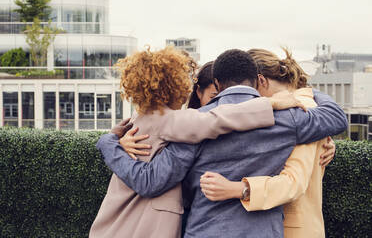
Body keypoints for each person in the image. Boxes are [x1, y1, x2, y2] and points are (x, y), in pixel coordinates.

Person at [97, 49, 348, 237]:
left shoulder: (193, 126)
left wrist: (109, 141)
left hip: (205, 231)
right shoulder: (287, 119)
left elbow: (155, 179)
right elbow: (336, 118)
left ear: (216, 84)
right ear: (257, 80)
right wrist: (308, 91)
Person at [200, 48, 336, 237]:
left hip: (292, 228)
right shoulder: (298, 108)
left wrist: (239, 188)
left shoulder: (300, 110)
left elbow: (293, 182)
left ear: (261, 81)